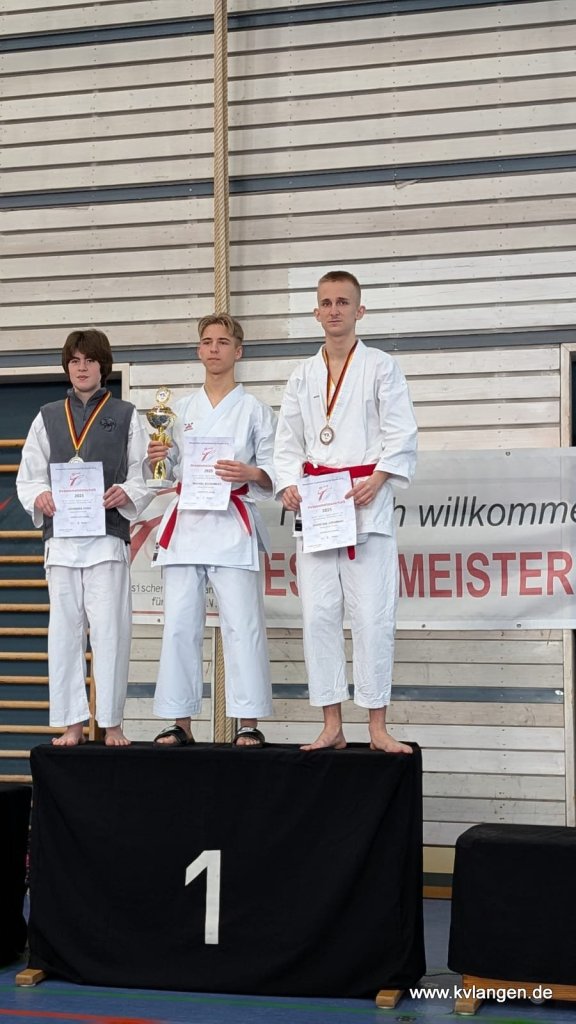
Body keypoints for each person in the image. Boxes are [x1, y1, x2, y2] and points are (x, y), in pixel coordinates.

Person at [274, 271, 418, 752]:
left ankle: (377, 726)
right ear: (316, 312)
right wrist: (288, 484)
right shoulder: (302, 374)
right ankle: (332, 724)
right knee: (319, 615)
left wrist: (380, 477)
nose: (334, 310)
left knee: (373, 616)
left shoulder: (381, 367)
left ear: (360, 310)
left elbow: (401, 431)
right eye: (326, 302)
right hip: (318, 506)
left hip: (364, 502)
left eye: (343, 302)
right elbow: (286, 440)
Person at [16, 328, 151, 747]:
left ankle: (112, 724)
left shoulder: (127, 414)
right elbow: (28, 475)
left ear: (102, 366)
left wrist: (126, 492)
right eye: (74, 361)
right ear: (67, 367)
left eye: (89, 360)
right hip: (62, 542)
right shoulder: (47, 415)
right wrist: (40, 495)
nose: (81, 368)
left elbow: (144, 472)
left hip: (106, 540)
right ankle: (72, 723)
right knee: (64, 635)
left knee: (111, 633)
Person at [148, 313, 275, 747]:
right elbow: (164, 474)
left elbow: (275, 471)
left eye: (223, 341)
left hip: (231, 525)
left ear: (239, 351)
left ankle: (248, 722)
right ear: (199, 350)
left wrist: (251, 472)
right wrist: (156, 459)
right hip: (186, 525)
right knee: (180, 625)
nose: (214, 348)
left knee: (243, 625)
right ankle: (179, 722)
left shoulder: (255, 410)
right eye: (207, 341)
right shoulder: (178, 411)